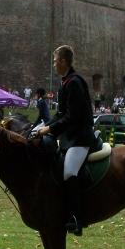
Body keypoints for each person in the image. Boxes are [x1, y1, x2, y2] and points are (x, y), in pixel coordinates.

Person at [37, 45, 95, 236]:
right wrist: (41, 127)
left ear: (63, 61)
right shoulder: (66, 82)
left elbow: (73, 116)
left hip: (80, 136)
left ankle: (77, 218)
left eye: (55, 61)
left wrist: (50, 129)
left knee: (69, 171)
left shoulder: (74, 83)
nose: (54, 64)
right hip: (70, 136)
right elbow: (60, 113)